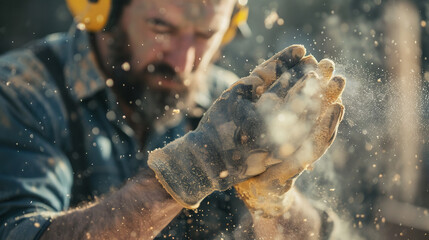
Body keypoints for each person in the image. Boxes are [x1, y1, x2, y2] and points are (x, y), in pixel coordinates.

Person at [0, 0, 345, 239]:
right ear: (105, 9)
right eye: (161, 26)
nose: (182, 62)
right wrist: (193, 167)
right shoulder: (22, 91)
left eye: (205, 34)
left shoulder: (234, 104)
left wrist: (274, 202)